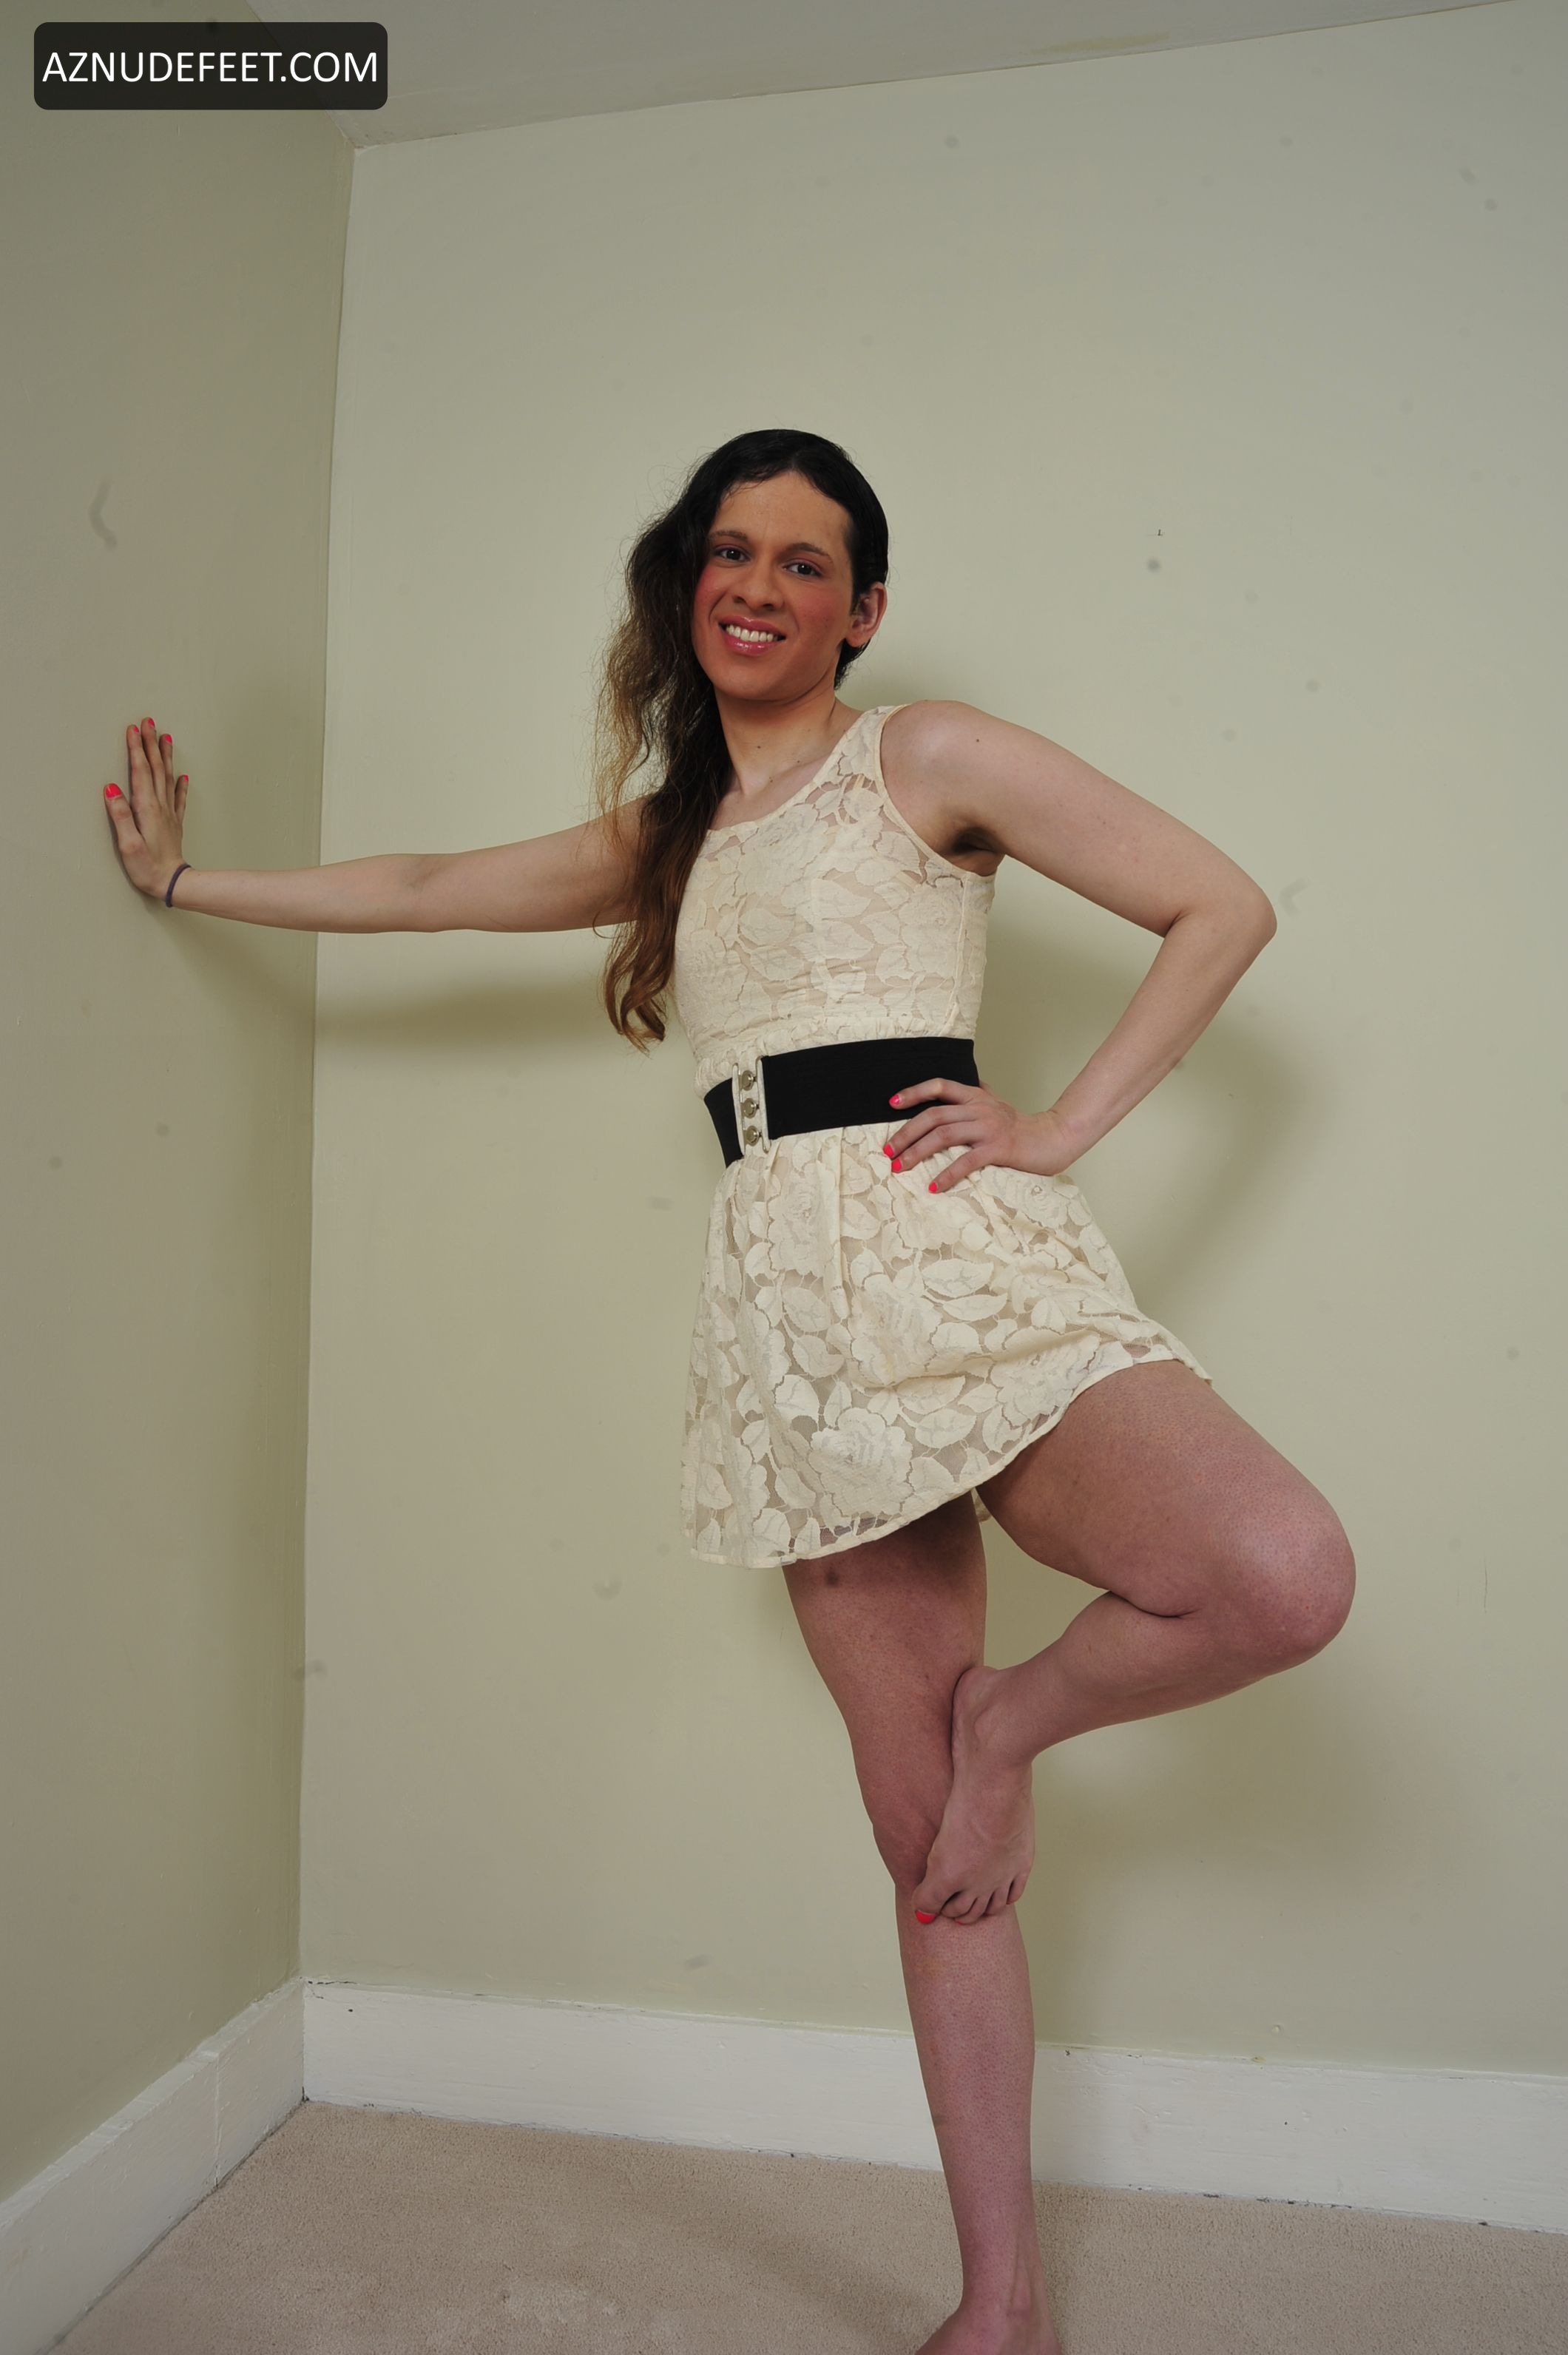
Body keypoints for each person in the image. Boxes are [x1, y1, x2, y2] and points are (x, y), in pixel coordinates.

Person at [104, 426, 1356, 2355]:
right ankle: (1003, 2312)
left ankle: (1011, 1727)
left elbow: (1223, 904)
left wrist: (1058, 1127)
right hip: (788, 1312)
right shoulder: (670, 838)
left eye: (803, 560)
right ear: (687, 583)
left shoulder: (925, 754)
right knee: (926, 1858)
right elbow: (430, 884)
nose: (757, 584)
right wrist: (190, 881)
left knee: (1276, 1570)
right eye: (729, 550)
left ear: (862, 608)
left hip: (954, 1245)